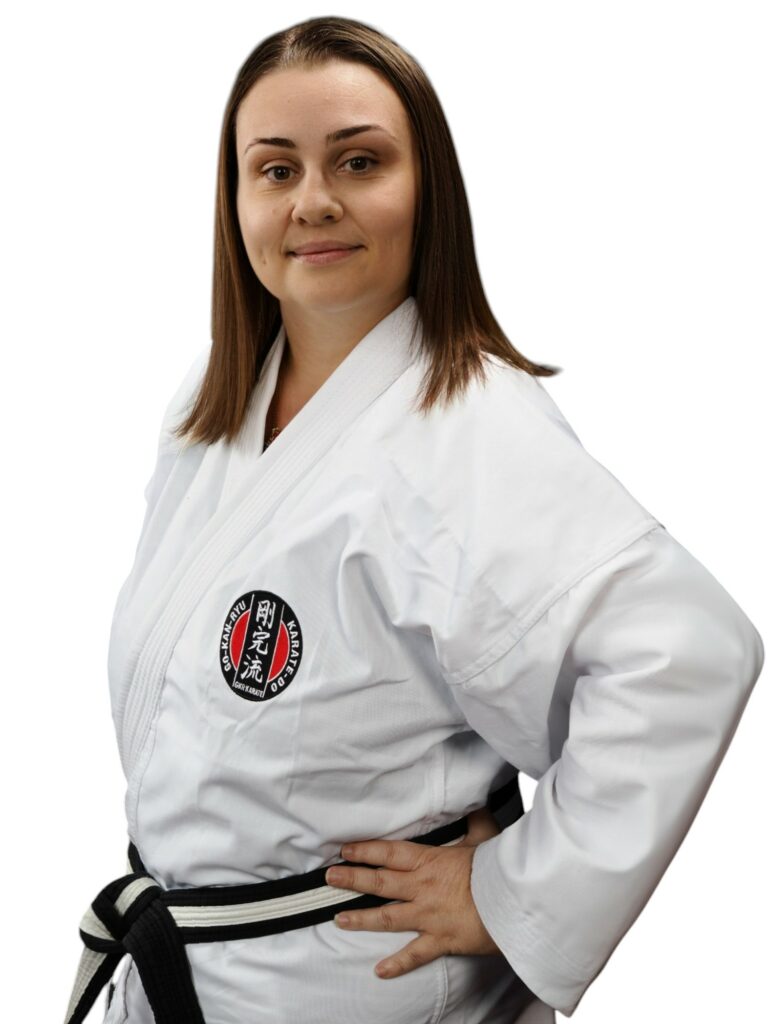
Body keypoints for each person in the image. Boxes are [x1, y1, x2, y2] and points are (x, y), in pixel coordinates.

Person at [63, 16, 763, 1024]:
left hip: (357, 984)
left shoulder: (468, 431)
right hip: (210, 976)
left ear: (425, 186)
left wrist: (519, 889)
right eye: (274, 169)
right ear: (234, 200)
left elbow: (685, 653)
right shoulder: (209, 410)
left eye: (359, 160)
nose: (313, 201)